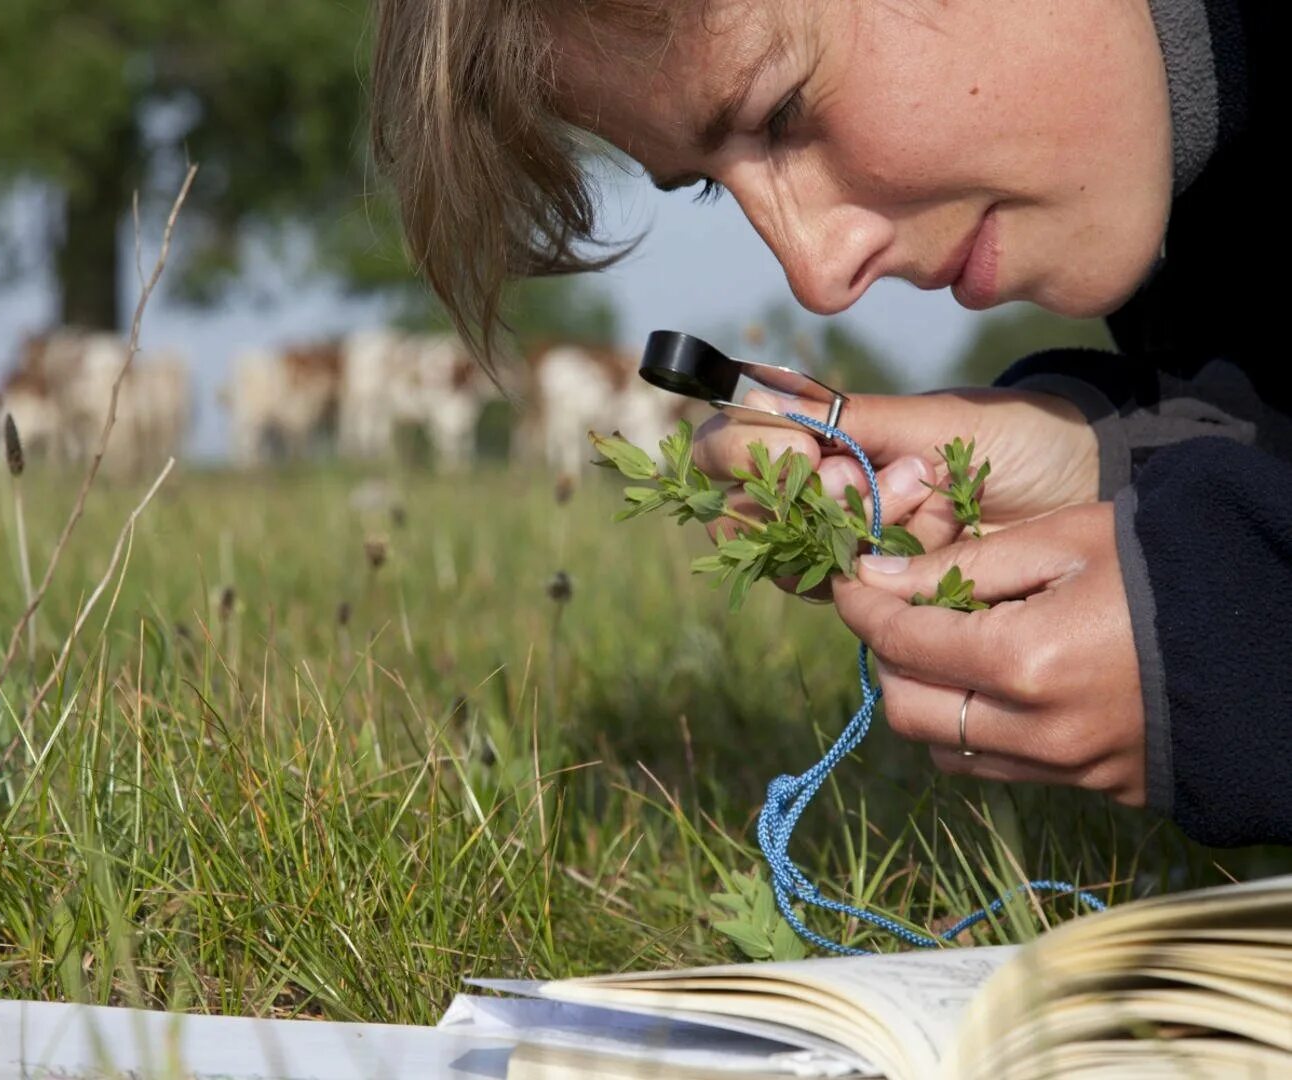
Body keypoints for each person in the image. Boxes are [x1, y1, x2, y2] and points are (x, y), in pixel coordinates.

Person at [370, 0, 1287, 846]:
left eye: (781, 109)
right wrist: (1110, 462)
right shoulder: (1191, 215)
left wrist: (1242, 643)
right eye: (711, 186)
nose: (816, 273)